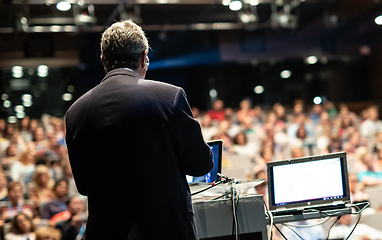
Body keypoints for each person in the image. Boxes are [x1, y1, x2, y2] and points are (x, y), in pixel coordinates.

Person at [65, 20, 213, 240]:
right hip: (165, 231)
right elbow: (201, 164)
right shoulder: (169, 97)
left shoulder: (76, 112)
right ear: (144, 57)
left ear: (103, 61)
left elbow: (83, 186)